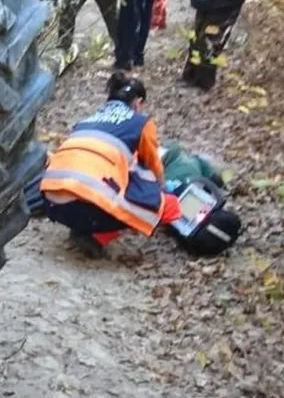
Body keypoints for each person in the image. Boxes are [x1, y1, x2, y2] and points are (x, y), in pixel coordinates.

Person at [40, 72, 182, 259]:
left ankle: (84, 227)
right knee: (168, 205)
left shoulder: (86, 121)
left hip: (51, 203)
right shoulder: (141, 122)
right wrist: (164, 189)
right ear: (138, 103)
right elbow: (153, 164)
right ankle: (96, 236)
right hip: (83, 207)